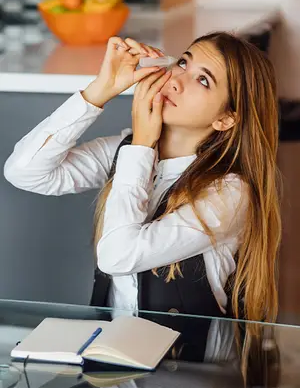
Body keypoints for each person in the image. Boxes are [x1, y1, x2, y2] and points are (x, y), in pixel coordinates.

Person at [4, 33, 281, 344]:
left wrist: (141, 146)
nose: (176, 81)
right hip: (117, 355)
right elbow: (25, 171)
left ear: (226, 119)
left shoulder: (228, 192)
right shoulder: (126, 149)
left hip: (190, 370)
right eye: (182, 63)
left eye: (203, 80)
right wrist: (100, 90)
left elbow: (117, 256)